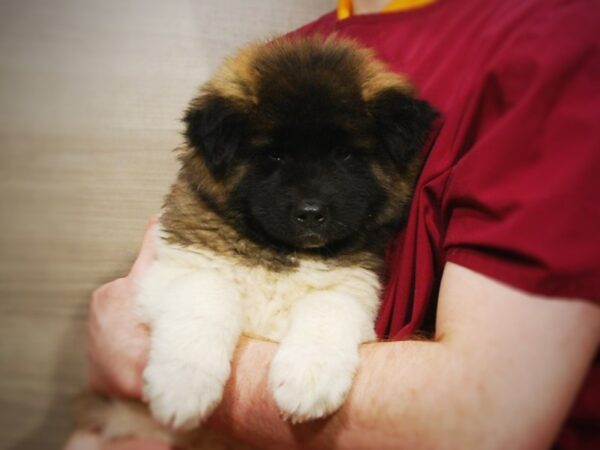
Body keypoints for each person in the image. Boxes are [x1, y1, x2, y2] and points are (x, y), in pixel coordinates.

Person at [65, 0, 600, 448]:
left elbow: (488, 418)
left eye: (345, 159)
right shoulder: (290, 56)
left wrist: (151, 358)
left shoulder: (554, 39)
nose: (310, 203)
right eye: (274, 161)